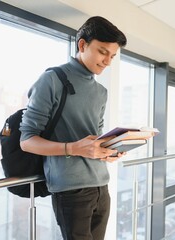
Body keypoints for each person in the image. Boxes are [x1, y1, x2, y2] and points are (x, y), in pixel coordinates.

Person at [19, 16, 127, 240]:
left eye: (113, 56)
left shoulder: (101, 93)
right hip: (70, 189)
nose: (107, 61)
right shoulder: (52, 80)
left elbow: (94, 139)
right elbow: (27, 141)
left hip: (101, 186)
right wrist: (74, 148)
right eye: (102, 52)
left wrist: (109, 149)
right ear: (82, 45)